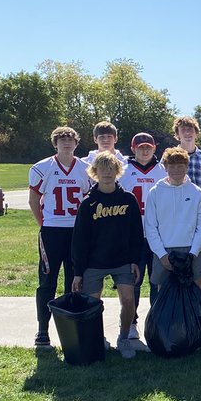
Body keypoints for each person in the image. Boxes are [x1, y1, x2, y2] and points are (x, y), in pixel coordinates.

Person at [70, 152, 144, 359]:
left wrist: (135, 260)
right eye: (102, 169)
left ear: (118, 172)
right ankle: (98, 338)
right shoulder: (88, 203)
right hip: (94, 262)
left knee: (129, 300)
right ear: (95, 173)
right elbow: (80, 240)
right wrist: (78, 272)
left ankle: (123, 338)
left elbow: (136, 233)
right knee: (93, 305)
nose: (107, 173)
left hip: (122, 260)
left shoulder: (128, 199)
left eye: (111, 169)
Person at [29, 126, 92, 347]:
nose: (66, 143)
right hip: (52, 231)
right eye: (61, 139)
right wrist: (44, 225)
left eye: (70, 139)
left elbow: (90, 201)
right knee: (47, 280)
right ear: (55, 143)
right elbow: (34, 201)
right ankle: (42, 330)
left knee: (73, 281)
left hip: (76, 232)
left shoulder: (86, 169)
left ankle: (69, 329)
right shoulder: (42, 167)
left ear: (76, 144)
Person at [144, 147, 201, 296]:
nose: (176, 170)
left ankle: (197, 320)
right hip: (164, 250)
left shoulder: (197, 192)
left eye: (180, 166)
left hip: (193, 249)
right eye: (172, 166)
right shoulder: (155, 192)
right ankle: (166, 320)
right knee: (164, 293)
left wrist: (193, 253)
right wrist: (162, 254)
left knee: (196, 290)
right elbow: (150, 227)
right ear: (165, 167)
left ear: (187, 167)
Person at [124, 132, 167, 341]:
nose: (144, 150)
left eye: (148, 146)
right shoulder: (123, 171)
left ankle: (156, 321)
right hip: (133, 235)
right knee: (134, 281)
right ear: (133, 149)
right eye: (140, 147)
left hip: (158, 235)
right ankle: (132, 322)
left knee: (157, 280)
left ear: (154, 147)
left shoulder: (163, 170)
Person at [173, 115, 201, 190]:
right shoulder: (169, 157)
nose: (187, 133)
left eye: (190, 129)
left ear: (196, 132)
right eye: (183, 130)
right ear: (177, 134)